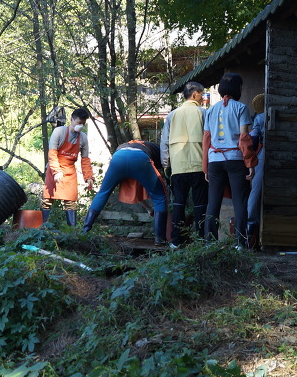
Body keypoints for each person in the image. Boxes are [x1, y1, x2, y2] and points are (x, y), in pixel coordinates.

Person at [202, 73, 257, 248]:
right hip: (235, 159)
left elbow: (206, 140)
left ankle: (209, 242)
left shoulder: (210, 110)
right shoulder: (241, 108)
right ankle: (239, 243)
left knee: (213, 202)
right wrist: (249, 163)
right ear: (237, 89)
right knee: (239, 201)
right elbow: (244, 138)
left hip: (214, 160)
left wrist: (205, 168)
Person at [81, 140, 169, 244]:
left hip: (118, 157)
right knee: (160, 197)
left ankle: (85, 231)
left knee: (103, 192)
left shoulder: (132, 145)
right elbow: (163, 166)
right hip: (139, 157)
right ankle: (160, 239)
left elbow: (135, 191)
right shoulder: (158, 151)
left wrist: (149, 209)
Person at [161, 81, 207, 247]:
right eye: (202, 94)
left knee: (179, 203)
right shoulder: (203, 113)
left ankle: (176, 240)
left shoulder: (172, 115)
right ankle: (201, 239)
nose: (203, 98)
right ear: (194, 94)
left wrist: (166, 164)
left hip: (178, 167)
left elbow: (164, 142)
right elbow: (208, 138)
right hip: (199, 164)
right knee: (200, 203)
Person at [42, 106, 95, 227]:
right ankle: (42, 229)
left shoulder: (83, 138)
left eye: (83, 123)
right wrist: (56, 171)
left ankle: (72, 232)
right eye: (79, 122)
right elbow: (52, 153)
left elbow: (85, 159)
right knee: (47, 200)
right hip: (54, 168)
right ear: (72, 120)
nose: (81, 125)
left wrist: (89, 177)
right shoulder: (59, 132)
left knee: (71, 202)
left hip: (70, 171)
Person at [246, 93, 267, 249]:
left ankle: (250, 225)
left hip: (264, 153)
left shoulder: (259, 118)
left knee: (255, 190)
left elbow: (252, 139)